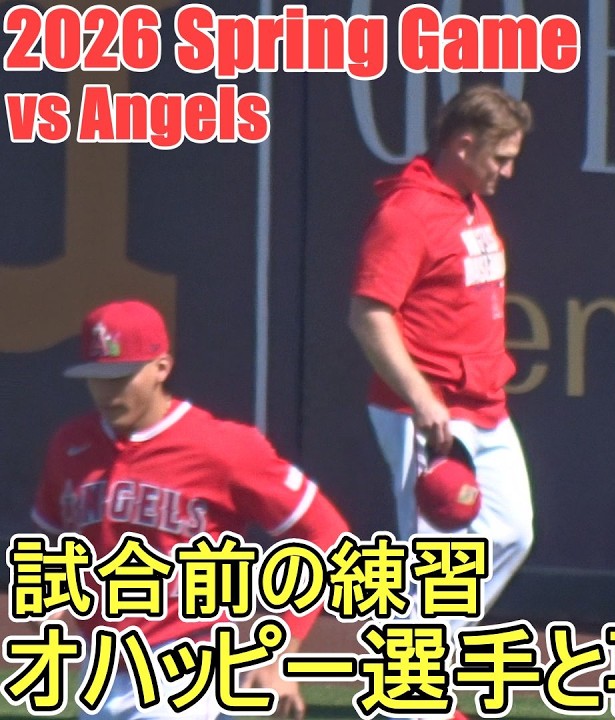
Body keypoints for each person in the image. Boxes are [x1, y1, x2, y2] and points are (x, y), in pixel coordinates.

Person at [30, 298, 351, 720]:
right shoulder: (71, 444)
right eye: (97, 377)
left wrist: (281, 649)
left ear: (162, 367)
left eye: (122, 377)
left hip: (188, 667)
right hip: (104, 669)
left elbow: (327, 534)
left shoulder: (221, 447)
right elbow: (51, 537)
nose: (108, 391)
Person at [347, 85, 535, 640]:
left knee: (511, 531)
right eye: (500, 157)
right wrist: (420, 398)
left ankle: (422, 653)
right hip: (426, 409)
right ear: (463, 145)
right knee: (437, 561)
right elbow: (368, 315)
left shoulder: (467, 201)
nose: (508, 172)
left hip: (484, 403)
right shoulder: (408, 213)